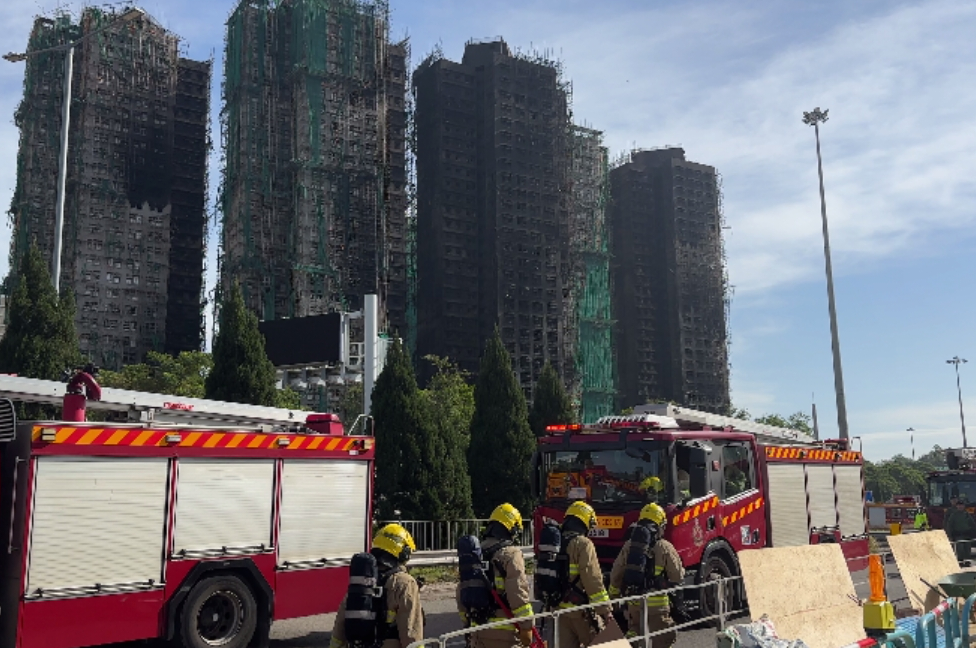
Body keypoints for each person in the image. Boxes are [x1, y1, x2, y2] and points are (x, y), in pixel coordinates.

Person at [330, 524, 423, 648]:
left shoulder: (362, 579)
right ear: (404, 552)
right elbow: (411, 633)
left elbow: (340, 625)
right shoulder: (404, 582)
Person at [457, 503, 534, 648]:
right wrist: (526, 626)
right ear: (512, 528)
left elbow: (461, 590)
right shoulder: (511, 554)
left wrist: (468, 625)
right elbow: (518, 593)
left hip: (478, 631)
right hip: (505, 635)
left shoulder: (476, 554)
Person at [608, 504, 684, 648]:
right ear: (659, 525)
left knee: (635, 635)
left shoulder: (629, 545)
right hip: (657, 607)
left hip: (634, 604)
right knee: (662, 640)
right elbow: (677, 577)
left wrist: (615, 597)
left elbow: (616, 574)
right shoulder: (664, 546)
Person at [556, 501, 612, 648]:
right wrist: (605, 611)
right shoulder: (583, 544)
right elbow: (592, 579)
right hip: (581, 611)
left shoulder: (556, 542)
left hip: (559, 611)